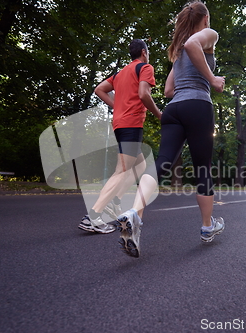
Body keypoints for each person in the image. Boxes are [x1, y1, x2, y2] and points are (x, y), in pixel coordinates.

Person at [115, 1, 226, 257]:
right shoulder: (209, 35)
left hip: (174, 109)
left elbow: (167, 91)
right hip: (198, 105)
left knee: (163, 162)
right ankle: (208, 227)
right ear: (205, 19)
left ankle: (134, 213)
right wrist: (211, 79)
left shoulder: (177, 54)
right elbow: (193, 44)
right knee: (203, 168)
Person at [79, 39, 162, 234]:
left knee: (140, 165)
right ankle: (93, 216)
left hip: (120, 124)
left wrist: (117, 106)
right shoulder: (145, 67)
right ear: (143, 52)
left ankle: (115, 202)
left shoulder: (120, 73)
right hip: (131, 124)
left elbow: (99, 89)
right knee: (122, 170)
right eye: (147, 52)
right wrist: (159, 114)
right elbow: (143, 94)